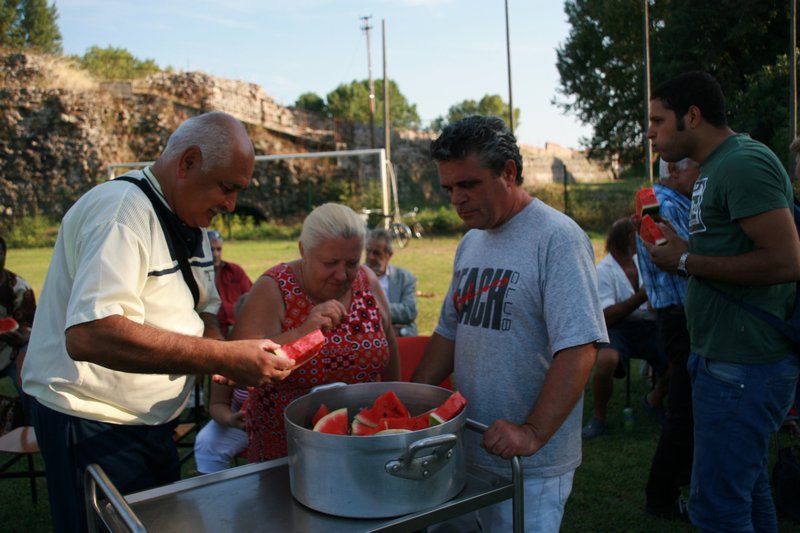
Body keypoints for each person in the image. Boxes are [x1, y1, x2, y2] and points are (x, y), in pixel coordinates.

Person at [21, 111, 297, 533]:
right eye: (227, 188)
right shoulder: (122, 212)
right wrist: (219, 355)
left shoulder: (193, 221)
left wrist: (217, 348)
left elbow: (201, 306)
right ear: (187, 163)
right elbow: (90, 335)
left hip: (151, 421)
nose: (231, 205)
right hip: (91, 418)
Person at [411, 115, 607, 533]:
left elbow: (580, 348)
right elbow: (450, 330)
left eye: (468, 185)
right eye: (449, 188)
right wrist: (413, 401)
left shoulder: (558, 238)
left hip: (527, 464)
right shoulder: (471, 241)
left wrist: (532, 432)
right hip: (462, 449)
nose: (456, 200)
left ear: (509, 173)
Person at [647, 71, 800, 532]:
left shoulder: (742, 163)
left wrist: (688, 260)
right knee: (747, 490)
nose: (650, 132)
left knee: (715, 507)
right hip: (722, 360)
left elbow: (786, 261)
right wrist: (681, 250)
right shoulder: (715, 168)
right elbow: (730, 250)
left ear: (692, 116)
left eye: (658, 120)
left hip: (745, 366)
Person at [231, 202, 401, 462]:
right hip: (288, 447)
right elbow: (239, 365)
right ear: (303, 251)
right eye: (330, 263)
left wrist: (396, 404)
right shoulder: (274, 288)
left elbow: (388, 342)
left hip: (366, 440)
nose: (342, 275)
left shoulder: (367, 280)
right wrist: (302, 331)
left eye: (352, 262)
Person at [637, 157, 700, 520]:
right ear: (674, 170)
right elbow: (687, 257)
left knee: (687, 408)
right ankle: (661, 496)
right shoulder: (663, 206)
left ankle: (674, 486)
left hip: (677, 315)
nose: (702, 176)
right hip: (681, 316)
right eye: (697, 169)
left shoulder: (662, 202)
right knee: (685, 410)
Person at [582, 218, 668, 440]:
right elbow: (606, 316)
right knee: (606, 361)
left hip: (647, 324)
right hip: (616, 327)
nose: (640, 240)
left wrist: (654, 300)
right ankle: (598, 417)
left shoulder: (642, 262)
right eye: (635, 237)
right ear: (625, 240)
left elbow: (656, 294)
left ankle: (653, 400)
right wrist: (640, 296)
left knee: (679, 355)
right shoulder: (604, 270)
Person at [365, 228, 419, 336]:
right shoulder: (355, 276)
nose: (370, 257)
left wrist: (370, 308)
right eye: (368, 251)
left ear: (389, 255)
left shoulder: (405, 278)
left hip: (400, 337)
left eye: (376, 253)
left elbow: (409, 311)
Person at [0, 236, 36, 394]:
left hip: (10, 354)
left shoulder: (20, 289)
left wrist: (24, 335)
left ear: (5, 255)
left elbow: (31, 327)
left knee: (27, 386)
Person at [193, 381, 249, 473]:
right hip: (241, 421)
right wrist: (230, 419)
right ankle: (214, 486)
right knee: (207, 442)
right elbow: (218, 403)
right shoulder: (231, 367)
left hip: (279, 425)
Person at [208, 229, 252, 338]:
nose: (215, 254)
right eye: (211, 250)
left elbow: (251, 296)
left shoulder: (235, 271)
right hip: (212, 330)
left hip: (238, 326)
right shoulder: (198, 274)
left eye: (218, 249)